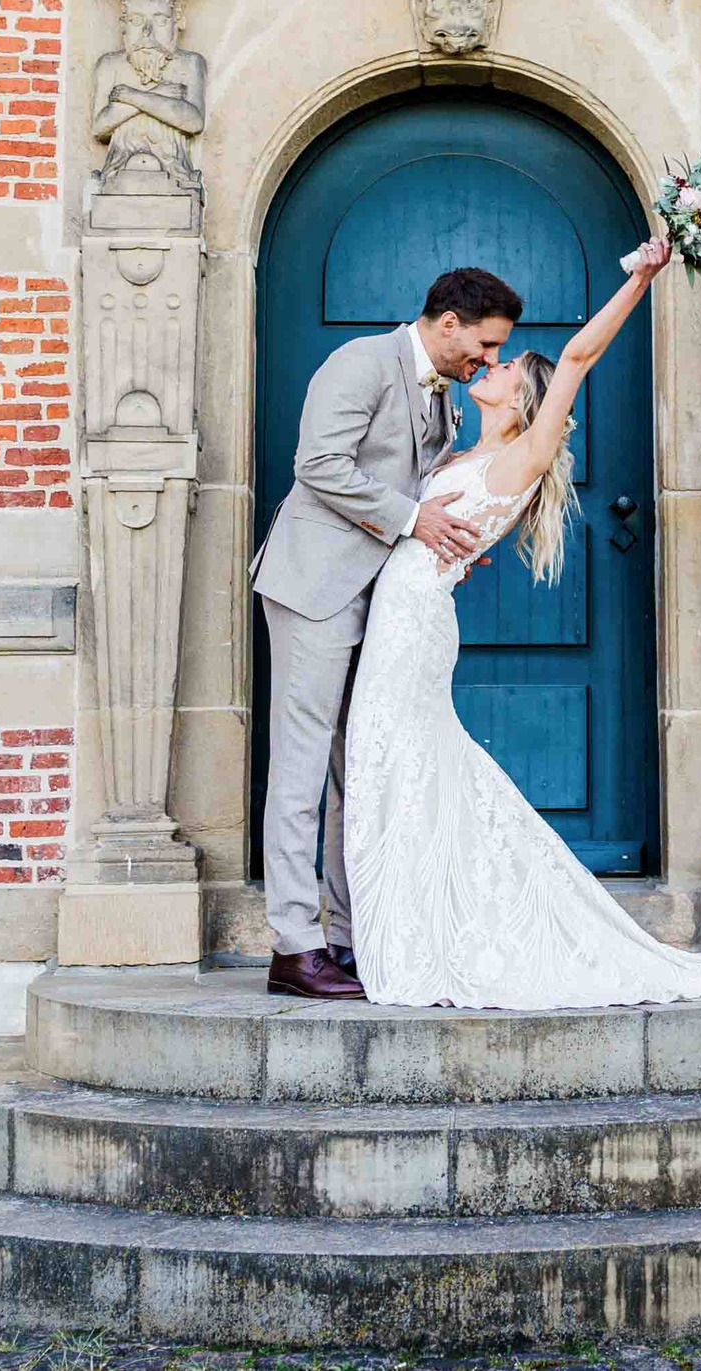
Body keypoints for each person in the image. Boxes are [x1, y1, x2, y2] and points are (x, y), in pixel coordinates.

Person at [340, 236, 701, 1008]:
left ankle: (420, 935)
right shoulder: (457, 452)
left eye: (506, 366)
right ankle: (413, 920)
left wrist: (640, 276)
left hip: (413, 629)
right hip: (398, 614)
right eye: (493, 355)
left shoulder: (521, 457)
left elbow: (575, 357)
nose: (493, 365)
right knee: (398, 765)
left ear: (525, 402)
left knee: (398, 760)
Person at [249, 267, 522, 1000]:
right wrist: (412, 520)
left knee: (358, 770)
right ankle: (293, 946)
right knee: (302, 770)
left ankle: (346, 936)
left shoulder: (447, 399)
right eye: (486, 344)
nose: (490, 360)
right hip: (315, 588)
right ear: (449, 322)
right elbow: (318, 465)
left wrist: (443, 541)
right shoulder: (361, 363)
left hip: (381, 602)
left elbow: (419, 488)